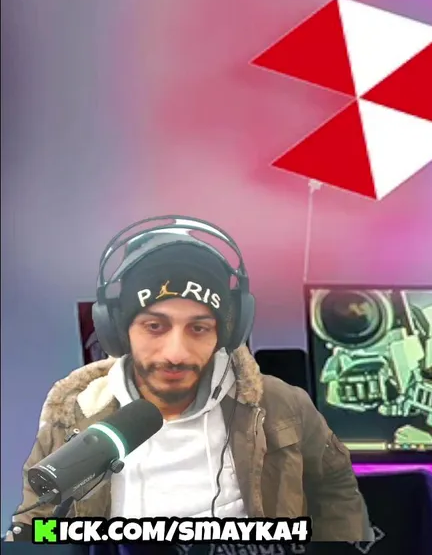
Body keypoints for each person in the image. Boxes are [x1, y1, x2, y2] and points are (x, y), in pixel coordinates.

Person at [6, 216, 369, 542]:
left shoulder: (283, 405)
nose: (176, 353)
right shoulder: (74, 414)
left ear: (228, 332)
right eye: (154, 326)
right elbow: (36, 524)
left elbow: (336, 488)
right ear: (117, 331)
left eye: (199, 328)